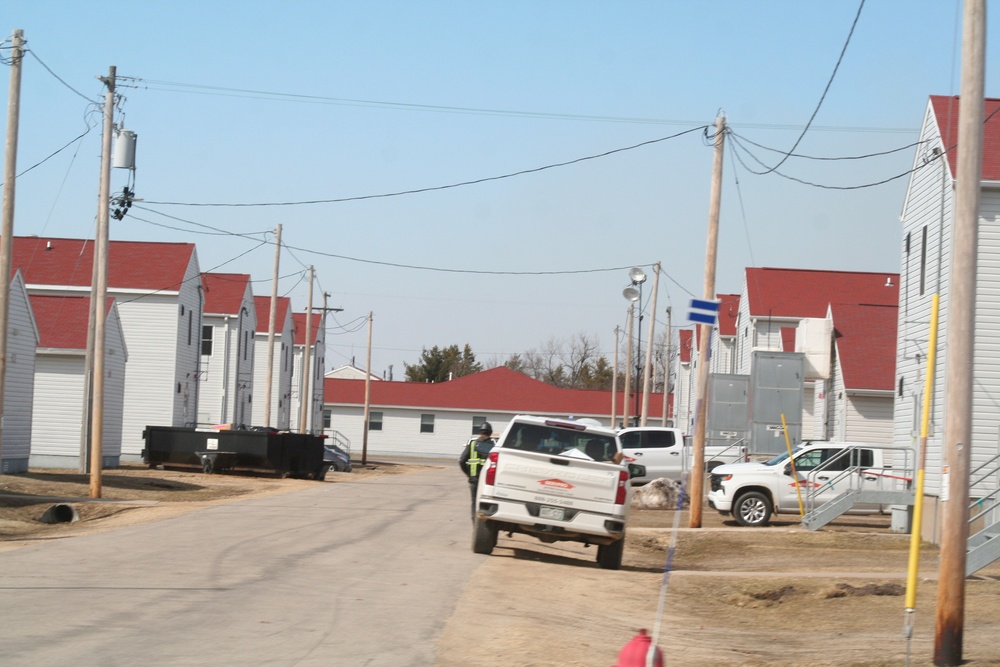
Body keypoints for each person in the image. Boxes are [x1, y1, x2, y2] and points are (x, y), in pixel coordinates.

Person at [459, 422, 494, 519]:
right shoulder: (493, 447)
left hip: (474, 480)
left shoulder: (473, 444)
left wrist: (469, 474)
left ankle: (475, 521)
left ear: (480, 432)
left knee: (474, 501)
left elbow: (462, 461)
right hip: (487, 482)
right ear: (490, 433)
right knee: (487, 502)